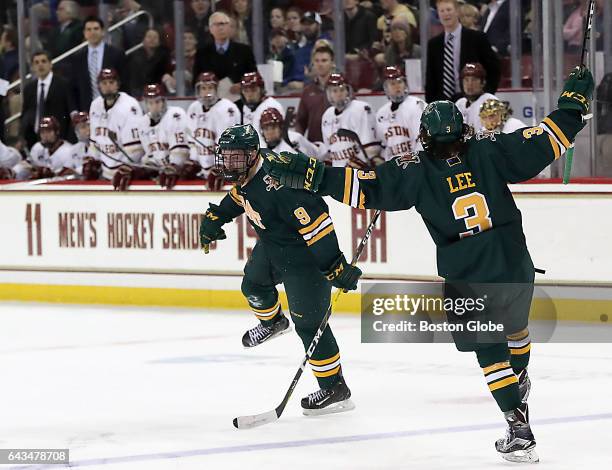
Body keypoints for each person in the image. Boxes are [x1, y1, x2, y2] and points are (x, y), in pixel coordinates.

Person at [262, 66, 594, 464]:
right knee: (516, 326)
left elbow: (363, 189)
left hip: (466, 268)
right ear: (463, 131)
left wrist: (313, 174)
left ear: (424, 137)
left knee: (490, 352)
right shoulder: (490, 148)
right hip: (512, 258)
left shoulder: (415, 170)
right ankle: (519, 379)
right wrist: (573, 103)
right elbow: (548, 139)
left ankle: (518, 427)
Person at [199, 123, 360, 415]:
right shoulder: (249, 172)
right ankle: (273, 322)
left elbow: (318, 224)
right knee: (253, 286)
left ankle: (335, 387)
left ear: (251, 155)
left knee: (310, 327)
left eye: (235, 157)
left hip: (306, 261)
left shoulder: (280, 182)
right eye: (226, 156)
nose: (228, 163)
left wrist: (334, 266)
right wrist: (217, 217)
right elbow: (240, 196)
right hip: (273, 247)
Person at [425, 0, 500, 103]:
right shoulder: (434, 44)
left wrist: (484, 96)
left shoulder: (477, 38)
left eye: (448, 9)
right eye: (442, 11)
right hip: (443, 105)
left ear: (457, 12)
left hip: (472, 101)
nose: (446, 14)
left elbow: (494, 70)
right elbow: (430, 79)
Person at [88, 68, 144, 190]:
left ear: (118, 84)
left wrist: (127, 168)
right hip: (104, 174)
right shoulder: (95, 105)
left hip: (127, 176)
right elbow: (94, 141)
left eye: (111, 82)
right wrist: (92, 160)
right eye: (104, 83)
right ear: (98, 86)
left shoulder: (129, 106)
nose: (108, 86)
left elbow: (136, 149)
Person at [186, 72, 241, 190]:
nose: (207, 92)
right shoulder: (193, 108)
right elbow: (192, 141)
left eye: (210, 88)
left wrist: (221, 167)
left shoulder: (227, 109)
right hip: (203, 173)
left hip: (226, 173)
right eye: (203, 88)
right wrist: (192, 162)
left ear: (216, 89)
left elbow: (228, 145)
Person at [136, 84, 191, 189]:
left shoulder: (175, 115)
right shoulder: (143, 123)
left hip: (181, 175)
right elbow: (150, 155)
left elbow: (181, 152)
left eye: (157, 102)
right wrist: (147, 168)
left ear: (164, 102)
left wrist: (173, 167)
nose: (154, 106)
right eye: (150, 103)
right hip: (161, 177)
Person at [192, 11, 257, 100]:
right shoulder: (202, 53)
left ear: (229, 27)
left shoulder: (244, 51)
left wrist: (242, 85)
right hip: (211, 103)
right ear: (210, 29)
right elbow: (195, 81)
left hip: (239, 102)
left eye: (224, 24)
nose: (221, 27)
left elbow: (254, 77)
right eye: (217, 24)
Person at [320, 72, 379, 168]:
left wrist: (351, 169)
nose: (339, 94)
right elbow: (330, 152)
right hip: (339, 173)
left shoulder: (361, 109)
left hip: (360, 171)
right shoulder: (327, 115)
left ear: (348, 91)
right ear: (329, 94)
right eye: (335, 91)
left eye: (342, 90)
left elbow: (372, 149)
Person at [21, 50, 76, 149]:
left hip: (59, 140)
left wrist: (69, 140)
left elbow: (70, 113)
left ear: (50, 64)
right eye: (36, 63)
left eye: (43, 61)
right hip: (35, 141)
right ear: (33, 67)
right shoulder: (29, 88)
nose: (40, 65)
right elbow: (25, 114)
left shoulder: (63, 85)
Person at [71, 17, 128, 111]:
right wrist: (74, 111)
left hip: (114, 107)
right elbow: (73, 87)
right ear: (84, 33)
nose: (92, 32)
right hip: (87, 110)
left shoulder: (117, 54)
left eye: (96, 29)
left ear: (103, 31)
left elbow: (124, 82)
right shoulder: (77, 58)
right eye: (89, 29)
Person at [375, 66, 426, 160]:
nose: (397, 86)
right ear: (386, 88)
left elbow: (423, 141)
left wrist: (415, 161)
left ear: (405, 85)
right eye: (392, 83)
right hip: (393, 167)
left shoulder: (417, 105)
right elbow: (384, 146)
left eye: (400, 82)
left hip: (415, 163)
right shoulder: (381, 113)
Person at [295, 45, 334, 143]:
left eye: (324, 60)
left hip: (339, 147)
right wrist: (297, 140)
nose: (320, 64)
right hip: (315, 147)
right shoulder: (307, 91)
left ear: (332, 63)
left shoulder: (343, 88)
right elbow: (300, 121)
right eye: (317, 61)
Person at [240, 71, 284, 147]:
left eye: (253, 90)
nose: (249, 95)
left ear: (261, 90)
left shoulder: (272, 106)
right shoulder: (246, 108)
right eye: (246, 91)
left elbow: (277, 139)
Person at [127, 28, 172, 97]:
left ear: (159, 41)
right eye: (149, 37)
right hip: (138, 91)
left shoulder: (164, 55)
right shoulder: (135, 56)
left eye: (155, 37)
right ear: (143, 40)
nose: (152, 39)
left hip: (158, 91)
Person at [455, 62, 498, 130]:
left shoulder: (490, 101)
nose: (470, 84)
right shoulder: (459, 103)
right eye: (466, 80)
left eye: (474, 80)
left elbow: (491, 133)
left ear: (483, 82)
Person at [69, 111, 102, 180]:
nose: (88, 129)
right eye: (83, 127)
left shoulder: (103, 145)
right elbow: (68, 170)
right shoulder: (75, 149)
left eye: (88, 125)